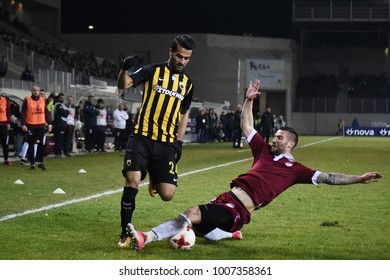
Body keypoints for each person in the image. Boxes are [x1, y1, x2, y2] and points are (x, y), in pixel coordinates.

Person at [126, 79, 383, 251]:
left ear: (290, 144)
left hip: (237, 209)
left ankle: (146, 237)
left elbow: (329, 177)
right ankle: (230, 234)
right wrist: (249, 100)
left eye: (280, 137)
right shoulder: (262, 150)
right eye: (275, 135)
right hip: (226, 199)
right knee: (203, 231)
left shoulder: (296, 170)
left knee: (192, 212)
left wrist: (359, 178)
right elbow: (247, 125)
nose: (275, 138)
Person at [116, 34, 195, 248]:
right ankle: (124, 232)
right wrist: (124, 69)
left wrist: (179, 142)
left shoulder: (187, 84)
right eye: (179, 56)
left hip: (166, 144)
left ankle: (153, 175)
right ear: (171, 52)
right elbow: (125, 84)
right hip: (141, 137)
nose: (182, 61)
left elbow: (184, 113)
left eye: (187, 58)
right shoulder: (153, 70)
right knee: (132, 179)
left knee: (168, 195)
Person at [20, 85, 52, 170]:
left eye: (37, 90)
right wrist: (23, 124)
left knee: (42, 144)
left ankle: (41, 162)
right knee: (31, 144)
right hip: (31, 125)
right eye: (34, 90)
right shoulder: (27, 100)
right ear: (31, 91)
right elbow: (23, 113)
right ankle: (32, 163)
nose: (36, 92)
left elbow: (46, 113)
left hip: (41, 125)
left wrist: (49, 123)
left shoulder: (43, 100)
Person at [52, 93, 69, 158]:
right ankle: (58, 153)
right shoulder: (58, 105)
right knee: (59, 139)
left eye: (63, 98)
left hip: (61, 124)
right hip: (59, 124)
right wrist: (66, 112)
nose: (62, 99)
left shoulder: (61, 105)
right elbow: (65, 114)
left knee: (60, 139)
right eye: (61, 98)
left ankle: (59, 152)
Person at [0, 88, 11, 165]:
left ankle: (6, 159)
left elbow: (8, 112)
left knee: (5, 142)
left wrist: (8, 123)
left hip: (3, 124)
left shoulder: (5, 100)